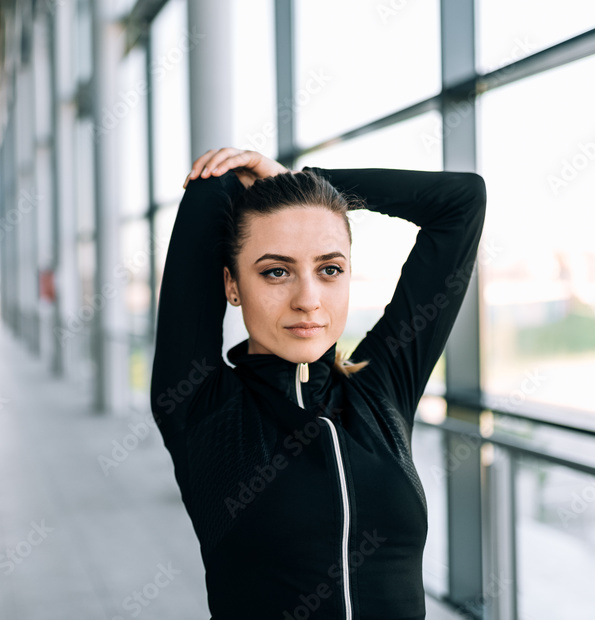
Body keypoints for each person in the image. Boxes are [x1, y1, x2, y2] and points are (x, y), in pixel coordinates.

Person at [151, 147, 487, 619]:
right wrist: (244, 182)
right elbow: (211, 186)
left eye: (329, 269)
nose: (308, 299)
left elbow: (462, 200)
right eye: (276, 272)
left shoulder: (381, 387)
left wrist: (312, 181)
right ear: (231, 285)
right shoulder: (200, 405)